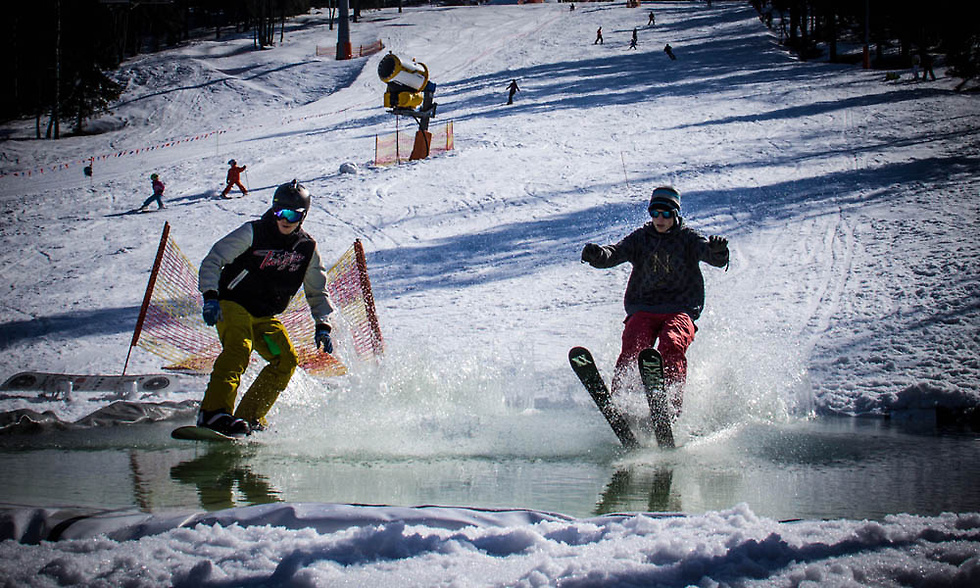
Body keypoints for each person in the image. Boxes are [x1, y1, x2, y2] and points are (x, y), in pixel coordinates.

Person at [196, 179, 335, 436]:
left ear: (303, 216)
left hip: (264, 315)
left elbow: (317, 289)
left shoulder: (306, 248)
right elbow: (213, 260)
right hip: (233, 303)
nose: (285, 220)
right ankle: (213, 413)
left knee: (286, 359)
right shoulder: (253, 232)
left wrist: (322, 325)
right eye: (279, 212)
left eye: (293, 215)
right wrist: (210, 296)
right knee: (239, 348)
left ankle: (248, 417)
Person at [580, 186, 729, 419]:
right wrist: (597, 255)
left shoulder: (689, 239)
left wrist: (718, 252)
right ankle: (623, 403)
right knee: (634, 342)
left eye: (666, 213)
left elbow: (711, 256)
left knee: (672, 342)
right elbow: (615, 252)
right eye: (655, 213)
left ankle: (670, 406)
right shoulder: (641, 238)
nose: (660, 219)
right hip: (644, 307)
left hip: (681, 309)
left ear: (675, 214)